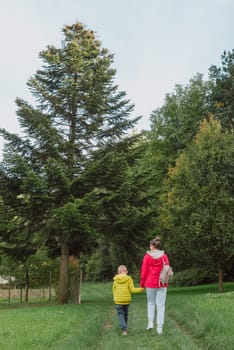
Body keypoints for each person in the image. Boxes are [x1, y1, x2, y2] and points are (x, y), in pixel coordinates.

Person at [140, 236, 171, 335]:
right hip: (162, 283)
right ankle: (159, 327)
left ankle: (150, 323)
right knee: (161, 305)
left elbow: (144, 272)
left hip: (150, 283)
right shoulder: (164, 256)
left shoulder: (147, 257)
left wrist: (142, 284)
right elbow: (167, 270)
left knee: (150, 303)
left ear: (152, 246)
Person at [113, 264, 144, 335]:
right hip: (126, 301)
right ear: (126, 271)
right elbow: (132, 290)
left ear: (118, 272)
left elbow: (114, 291)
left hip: (118, 301)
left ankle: (124, 329)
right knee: (125, 315)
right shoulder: (129, 279)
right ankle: (124, 328)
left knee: (120, 315)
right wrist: (141, 289)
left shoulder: (115, 280)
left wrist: (115, 298)